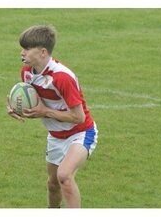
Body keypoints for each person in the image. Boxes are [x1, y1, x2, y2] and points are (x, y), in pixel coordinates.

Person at [6, 25, 98, 208]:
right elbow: (34, 102)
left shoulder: (62, 77)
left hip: (80, 133)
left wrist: (45, 112)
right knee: (53, 184)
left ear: (42, 52)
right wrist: (15, 107)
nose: (22, 53)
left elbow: (78, 117)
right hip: (55, 136)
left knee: (64, 176)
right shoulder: (27, 72)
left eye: (26, 49)